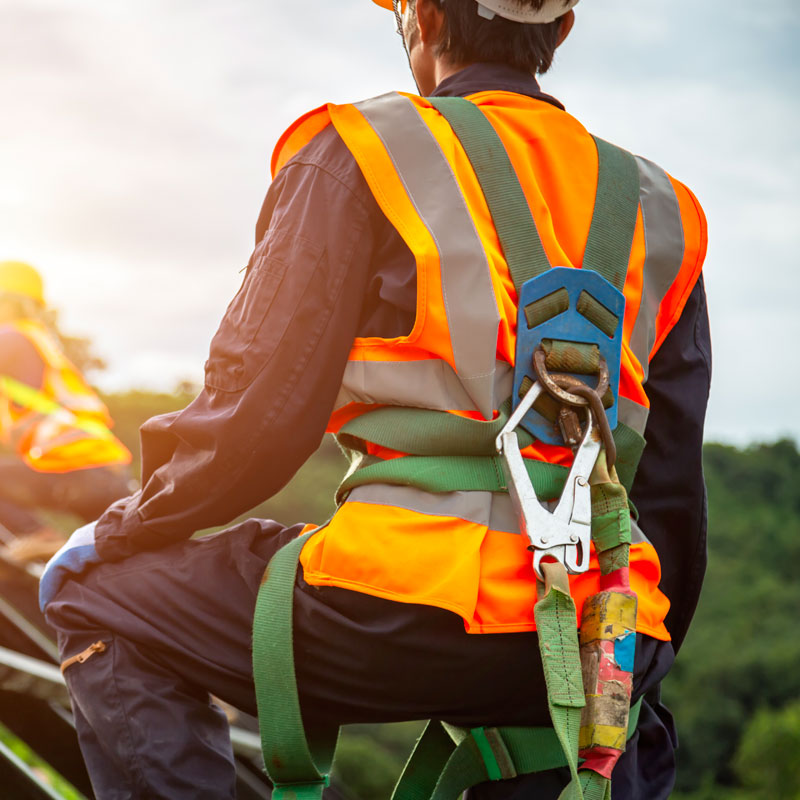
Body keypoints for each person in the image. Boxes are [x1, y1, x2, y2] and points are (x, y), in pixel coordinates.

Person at [41, 1, 711, 798]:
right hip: (599, 629)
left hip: (396, 606)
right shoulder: (663, 210)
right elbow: (668, 491)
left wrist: (130, 526)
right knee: (610, 732)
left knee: (90, 592)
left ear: (423, 17)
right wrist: (635, 656)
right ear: (560, 31)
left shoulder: (362, 151)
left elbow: (257, 417)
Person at [0, 261, 132, 560]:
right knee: (115, 565)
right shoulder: (39, 343)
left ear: (6, 300)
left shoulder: (12, 338)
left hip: (76, 470)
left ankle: (37, 537)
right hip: (106, 473)